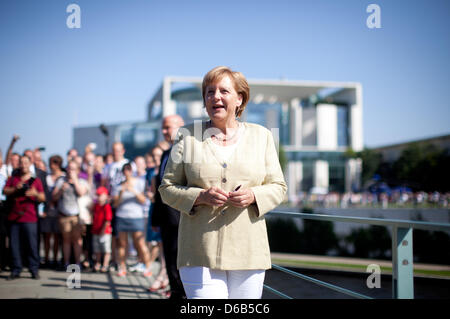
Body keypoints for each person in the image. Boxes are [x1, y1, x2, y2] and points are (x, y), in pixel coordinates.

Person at [158, 66, 287, 299]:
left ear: (240, 99)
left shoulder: (262, 136)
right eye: (209, 92)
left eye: (223, 91)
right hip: (199, 250)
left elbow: (278, 186)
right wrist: (200, 196)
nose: (215, 97)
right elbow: (167, 188)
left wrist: (254, 195)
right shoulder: (187, 135)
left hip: (249, 251)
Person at [151, 114, 186, 299]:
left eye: (168, 127)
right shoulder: (165, 153)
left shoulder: (190, 151)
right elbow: (160, 189)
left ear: (181, 127)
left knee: (181, 259)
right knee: (170, 258)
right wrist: (155, 218)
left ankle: (184, 294)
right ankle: (175, 292)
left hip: (182, 217)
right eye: (163, 128)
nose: (165, 131)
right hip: (166, 218)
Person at [2, 155, 45, 280]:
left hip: (30, 218)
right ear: (19, 164)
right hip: (14, 217)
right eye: (22, 163)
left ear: (30, 164)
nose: (24, 165)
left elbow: (43, 198)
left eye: (26, 162)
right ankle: (16, 269)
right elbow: (5, 191)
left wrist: (35, 193)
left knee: (32, 245)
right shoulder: (13, 179)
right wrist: (16, 188)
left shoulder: (35, 180)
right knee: (14, 245)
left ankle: (34, 269)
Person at [112, 163, 152, 277]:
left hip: (136, 217)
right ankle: (122, 267)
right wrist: (121, 192)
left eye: (129, 169)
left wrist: (133, 190)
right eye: (125, 170)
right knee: (122, 244)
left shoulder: (139, 182)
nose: (127, 172)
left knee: (140, 243)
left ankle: (147, 267)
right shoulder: (118, 185)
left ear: (132, 170)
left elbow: (143, 200)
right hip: (122, 216)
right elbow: (115, 204)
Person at [52, 159, 88, 269]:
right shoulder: (61, 181)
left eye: (73, 169)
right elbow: (54, 197)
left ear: (77, 170)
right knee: (66, 240)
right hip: (64, 215)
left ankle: (77, 262)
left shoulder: (81, 181)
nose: (70, 171)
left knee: (77, 240)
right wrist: (61, 189)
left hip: (76, 216)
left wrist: (75, 180)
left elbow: (81, 193)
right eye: (69, 168)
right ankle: (66, 262)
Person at [145, 149, 169, 292]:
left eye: (157, 155)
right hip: (157, 210)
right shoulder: (153, 172)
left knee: (167, 247)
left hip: (167, 211)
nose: (155, 157)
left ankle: (164, 275)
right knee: (161, 245)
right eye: (153, 155)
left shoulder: (166, 169)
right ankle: (163, 273)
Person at [40, 155, 65, 269]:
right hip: (47, 210)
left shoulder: (63, 177)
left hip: (59, 210)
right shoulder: (47, 177)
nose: (51, 166)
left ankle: (55, 259)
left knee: (56, 237)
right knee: (46, 236)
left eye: (53, 164)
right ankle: (46, 259)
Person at [92, 186, 112, 273]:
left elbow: (108, 219)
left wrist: (103, 230)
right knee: (97, 249)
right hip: (96, 231)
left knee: (106, 249)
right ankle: (98, 263)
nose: (99, 197)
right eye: (98, 195)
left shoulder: (106, 206)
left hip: (104, 232)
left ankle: (105, 264)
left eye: (101, 195)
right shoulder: (96, 205)